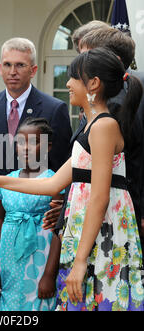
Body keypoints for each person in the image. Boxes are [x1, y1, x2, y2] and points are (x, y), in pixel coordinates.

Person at [0, 47, 144, 311]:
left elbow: (99, 198)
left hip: (101, 237)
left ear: (93, 84)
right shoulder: (90, 125)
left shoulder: (104, 126)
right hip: (85, 234)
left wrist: (81, 260)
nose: (68, 84)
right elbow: (49, 185)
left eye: (73, 77)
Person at [0, 37, 72, 310]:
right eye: (7, 64)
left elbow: (62, 168)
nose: (13, 71)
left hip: (42, 227)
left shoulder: (54, 108)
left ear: (33, 70)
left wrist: (60, 209)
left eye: (20, 65)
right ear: (0, 68)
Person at [69, 26, 144, 251]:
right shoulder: (96, 111)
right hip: (89, 214)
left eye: (87, 59)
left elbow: (102, 194)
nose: (71, 81)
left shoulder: (110, 118)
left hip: (110, 224)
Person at [0, 117, 63, 311]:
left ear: (48, 147)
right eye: (21, 143)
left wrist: (49, 275)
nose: (26, 148)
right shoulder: (6, 182)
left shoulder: (54, 182)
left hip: (40, 258)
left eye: (34, 143)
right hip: (8, 260)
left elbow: (59, 231)